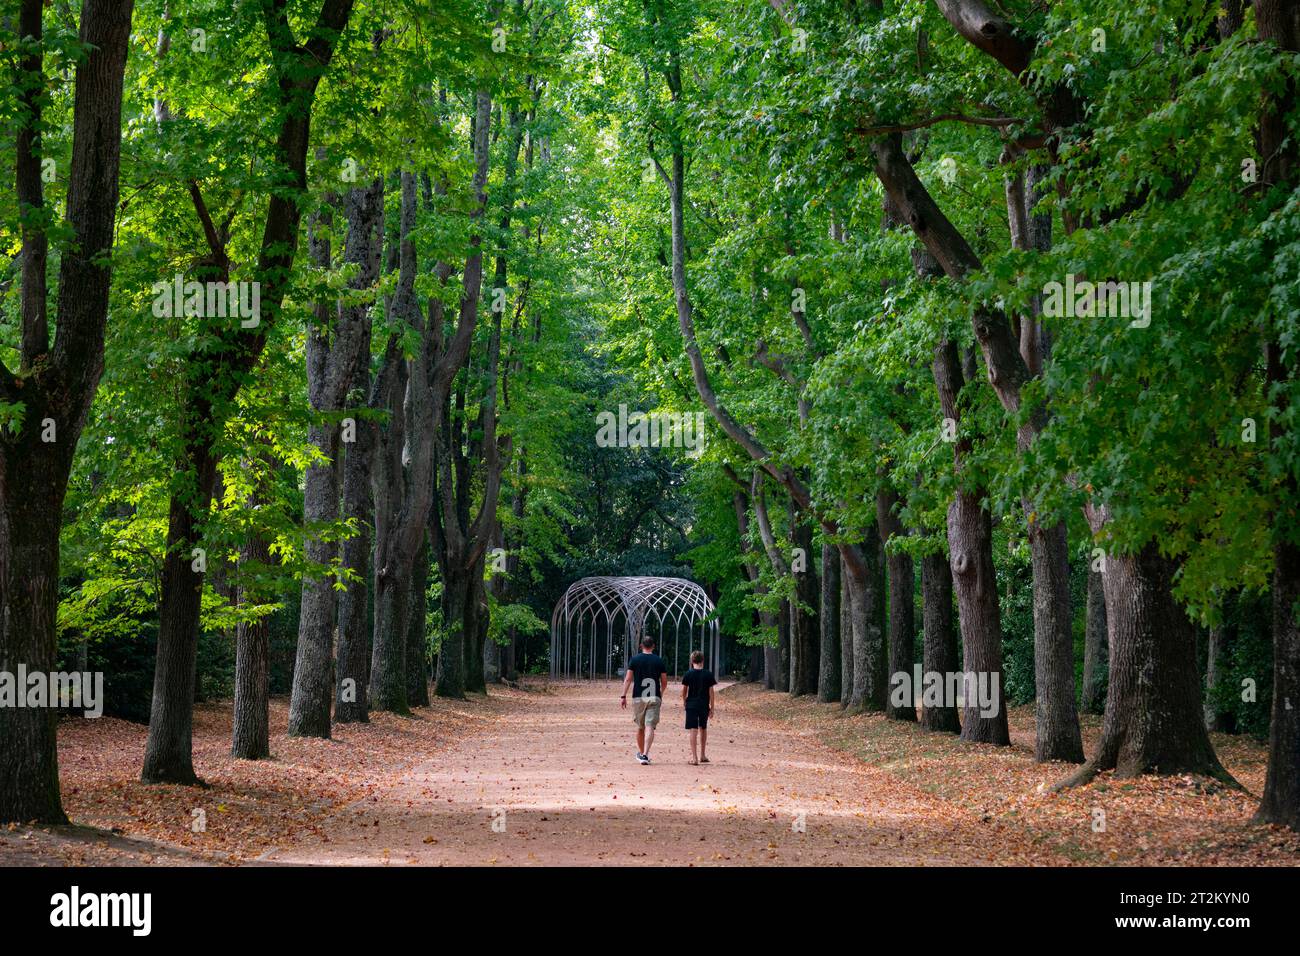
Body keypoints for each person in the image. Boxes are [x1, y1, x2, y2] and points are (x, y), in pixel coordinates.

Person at [620, 636, 667, 764]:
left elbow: (629, 679)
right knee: (650, 725)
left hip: (638, 696)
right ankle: (645, 754)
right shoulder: (659, 661)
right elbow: (664, 682)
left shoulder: (635, 660)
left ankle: (641, 753)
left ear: (641, 646)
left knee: (641, 727)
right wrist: (660, 694)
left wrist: (623, 695)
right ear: (653, 646)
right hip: (653, 695)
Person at [680, 650, 717, 766]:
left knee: (693, 730)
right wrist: (712, 707)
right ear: (703, 661)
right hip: (703, 704)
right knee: (703, 728)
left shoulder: (688, 674)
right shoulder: (708, 674)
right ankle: (703, 755)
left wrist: (684, 701)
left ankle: (694, 757)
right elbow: (711, 692)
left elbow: (684, 691)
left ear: (692, 661)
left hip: (691, 704)